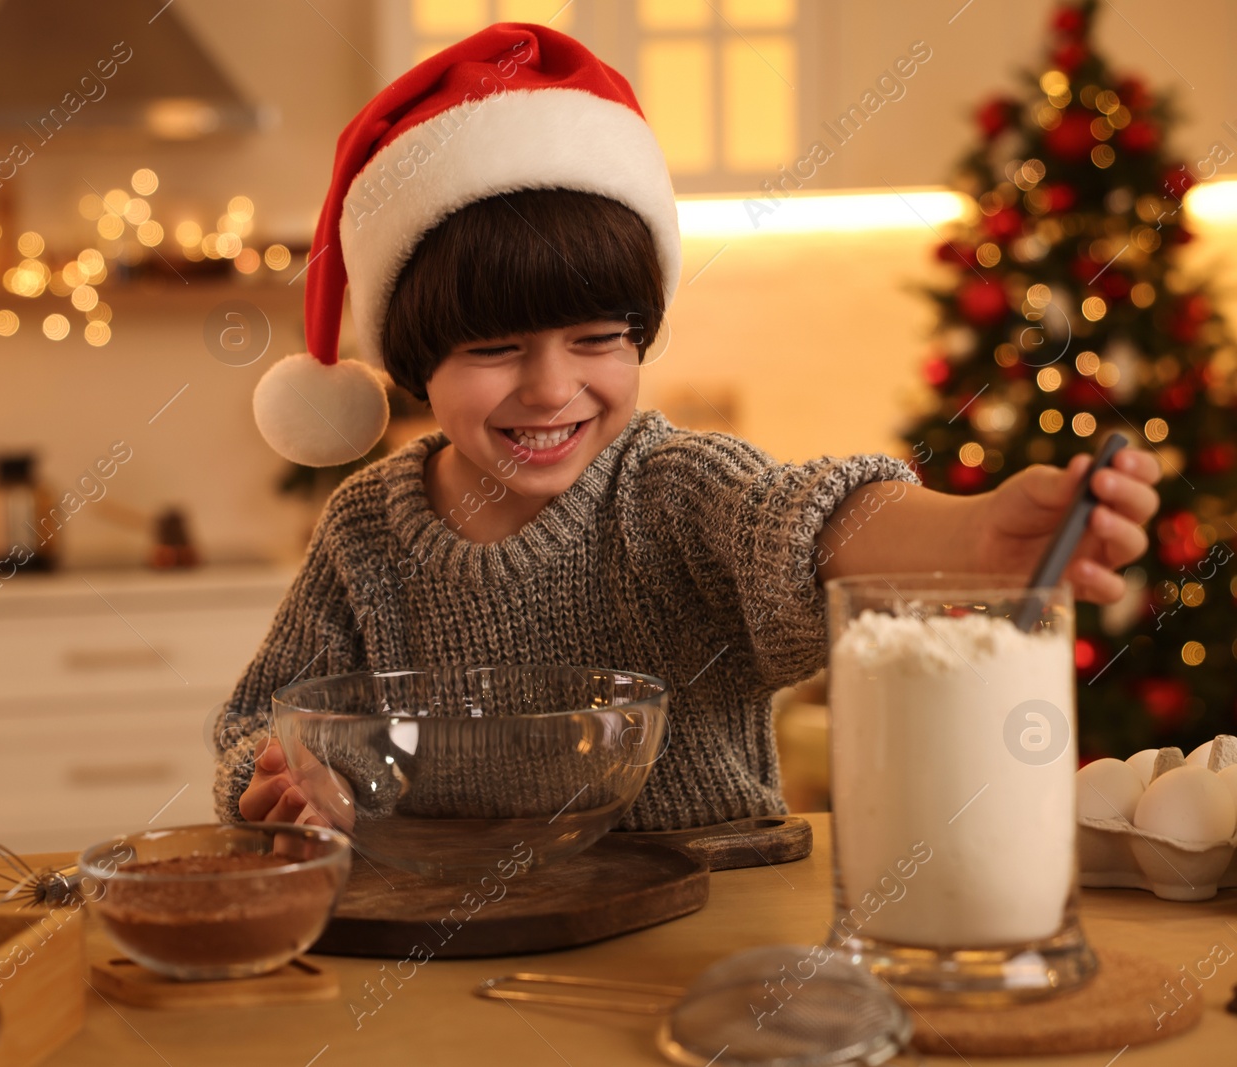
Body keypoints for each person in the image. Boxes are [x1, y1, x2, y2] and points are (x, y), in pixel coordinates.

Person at [215, 23, 1160, 831]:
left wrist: (970, 534)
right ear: (417, 362)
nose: (553, 389)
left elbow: (805, 522)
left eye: (597, 339)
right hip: (453, 952)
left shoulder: (669, 487)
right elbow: (262, 721)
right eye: (497, 349)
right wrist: (273, 780)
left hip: (710, 920)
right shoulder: (365, 532)